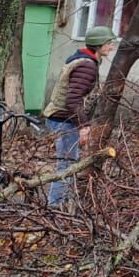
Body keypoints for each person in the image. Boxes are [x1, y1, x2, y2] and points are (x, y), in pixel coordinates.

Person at [42, 25, 116, 208]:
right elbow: (73, 99)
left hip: (63, 118)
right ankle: (55, 207)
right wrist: (83, 127)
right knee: (66, 166)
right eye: (108, 43)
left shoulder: (82, 60)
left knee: (68, 163)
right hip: (64, 120)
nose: (111, 46)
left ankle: (61, 203)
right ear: (99, 45)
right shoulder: (87, 66)